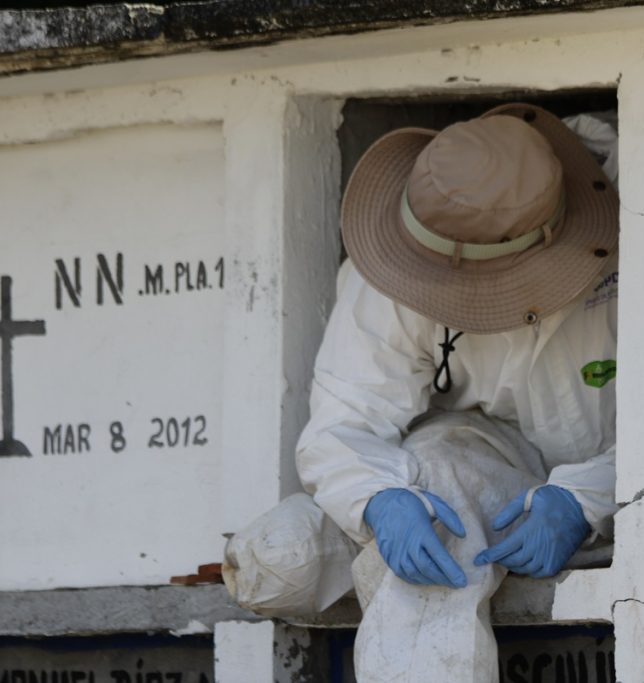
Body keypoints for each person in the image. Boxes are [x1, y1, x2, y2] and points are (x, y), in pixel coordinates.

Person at [232, 103, 619, 683]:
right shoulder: (396, 260)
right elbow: (346, 419)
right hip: (474, 458)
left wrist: (585, 500)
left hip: (613, 473)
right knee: (273, 558)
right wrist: (379, 501)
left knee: (316, 547)